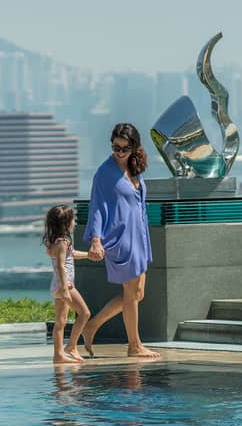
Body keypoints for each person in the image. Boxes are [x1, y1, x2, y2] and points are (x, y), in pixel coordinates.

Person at [67, 123, 161, 359]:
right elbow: (97, 206)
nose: (119, 152)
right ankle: (135, 345)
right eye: (115, 147)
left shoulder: (134, 167)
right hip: (121, 237)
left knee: (138, 294)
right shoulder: (105, 173)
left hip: (139, 236)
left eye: (124, 148)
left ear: (134, 147)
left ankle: (92, 325)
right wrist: (96, 240)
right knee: (130, 294)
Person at [41, 204, 92, 364]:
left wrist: (89, 255)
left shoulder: (56, 241)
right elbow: (61, 265)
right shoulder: (62, 241)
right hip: (65, 285)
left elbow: (72, 255)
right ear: (66, 223)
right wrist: (65, 288)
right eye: (73, 220)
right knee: (85, 314)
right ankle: (71, 346)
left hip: (57, 285)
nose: (75, 223)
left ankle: (58, 355)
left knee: (61, 321)